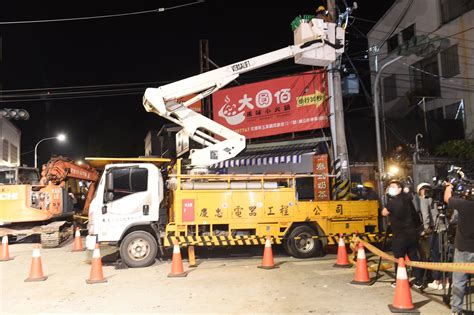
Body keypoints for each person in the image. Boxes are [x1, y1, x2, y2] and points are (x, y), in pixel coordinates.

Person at [382, 179, 424, 289]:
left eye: (393, 187)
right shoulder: (408, 199)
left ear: (400, 189)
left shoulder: (392, 202)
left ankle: (400, 280)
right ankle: (419, 280)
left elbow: (384, 212)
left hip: (400, 235)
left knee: (399, 259)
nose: (390, 189)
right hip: (412, 233)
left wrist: (388, 198)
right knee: (413, 256)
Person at [444, 182, 474, 314]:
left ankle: (456, 309)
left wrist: (449, 187)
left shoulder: (464, 205)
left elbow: (447, 199)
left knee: (459, 281)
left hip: (463, 248)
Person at [416, 183, 450, 290]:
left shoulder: (424, 198)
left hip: (434, 229)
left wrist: (426, 228)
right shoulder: (437, 196)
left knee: (435, 255)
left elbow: (425, 214)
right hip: (444, 227)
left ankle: (438, 280)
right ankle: (447, 280)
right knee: (445, 254)